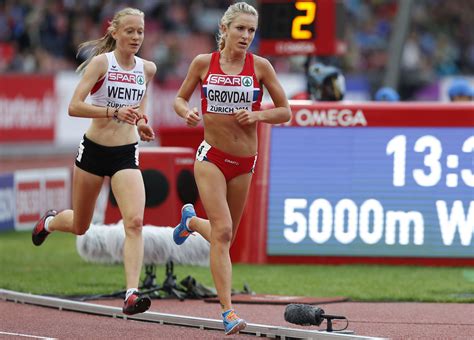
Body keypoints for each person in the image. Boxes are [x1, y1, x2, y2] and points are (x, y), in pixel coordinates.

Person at [172, 2, 291, 335]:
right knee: (222, 233)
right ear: (224, 29)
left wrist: (257, 115)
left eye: (251, 30)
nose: (246, 36)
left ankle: (191, 221)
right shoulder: (202, 63)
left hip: (244, 163)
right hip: (211, 157)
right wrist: (187, 113)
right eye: (240, 28)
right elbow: (179, 99)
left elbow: (285, 111)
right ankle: (227, 311)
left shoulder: (261, 67)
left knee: (226, 237)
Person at [31, 7, 156, 316]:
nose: (136, 37)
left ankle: (131, 294)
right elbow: (74, 106)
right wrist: (113, 112)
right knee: (80, 225)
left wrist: (141, 122)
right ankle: (49, 221)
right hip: (93, 151)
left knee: (135, 222)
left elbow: (139, 105)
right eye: (130, 31)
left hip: (125, 153)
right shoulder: (102, 63)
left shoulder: (147, 69)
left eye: (140, 31)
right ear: (114, 32)